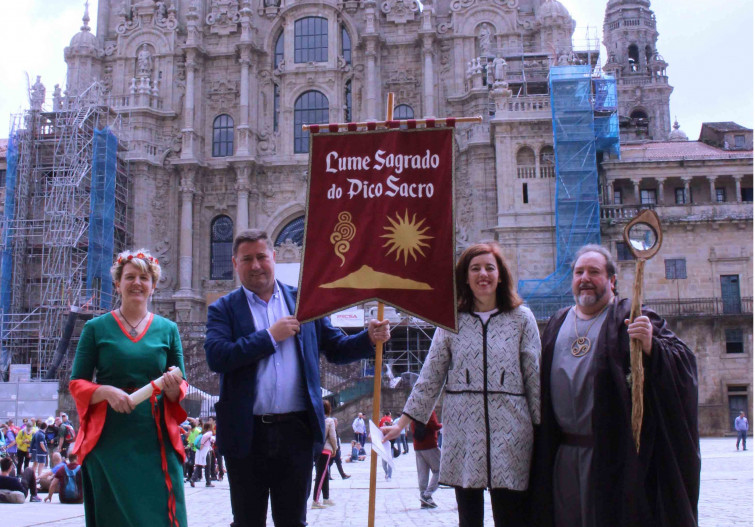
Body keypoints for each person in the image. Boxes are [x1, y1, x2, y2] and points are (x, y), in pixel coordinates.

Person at [204, 229, 390, 527]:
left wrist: (367, 338)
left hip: (297, 433)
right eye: (247, 259)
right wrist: (269, 337)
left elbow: (336, 349)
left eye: (261, 257)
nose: (256, 265)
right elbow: (217, 357)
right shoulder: (223, 308)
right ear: (235, 263)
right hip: (246, 434)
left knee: (293, 521)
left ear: (273, 258)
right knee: (247, 521)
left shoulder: (303, 302)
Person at [529, 244, 700, 527]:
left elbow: (684, 362)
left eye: (594, 272)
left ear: (612, 281)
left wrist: (650, 346)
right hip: (563, 456)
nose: (584, 278)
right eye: (578, 272)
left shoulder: (630, 317)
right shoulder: (558, 322)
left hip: (612, 458)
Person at [383, 241, 541, 527]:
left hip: (511, 431)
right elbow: (431, 375)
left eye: (489, 268)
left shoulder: (522, 319)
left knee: (512, 516)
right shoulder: (451, 322)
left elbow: (534, 378)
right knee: (469, 519)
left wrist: (542, 429)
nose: (483, 274)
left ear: (501, 275)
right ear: (465, 277)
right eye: (475, 268)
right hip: (463, 432)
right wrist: (402, 423)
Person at [69, 249, 189, 527]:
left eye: (144, 278)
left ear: (153, 285)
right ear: (118, 283)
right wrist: (106, 392)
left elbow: (180, 381)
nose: (137, 283)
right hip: (110, 439)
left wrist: (172, 387)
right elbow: (77, 383)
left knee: (159, 516)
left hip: (155, 437)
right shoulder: (96, 328)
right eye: (130, 277)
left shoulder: (168, 329)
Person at [412, 409, 442, 509]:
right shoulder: (429, 408)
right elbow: (434, 425)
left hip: (417, 445)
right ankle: (427, 495)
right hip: (429, 444)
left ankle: (423, 498)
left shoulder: (413, 409)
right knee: (440, 470)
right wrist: (443, 425)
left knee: (422, 473)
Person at [312, 400, 338, 509]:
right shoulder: (329, 420)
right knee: (321, 475)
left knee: (324, 473)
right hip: (326, 449)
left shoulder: (315, 419)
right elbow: (332, 436)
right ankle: (315, 500)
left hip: (316, 449)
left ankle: (326, 497)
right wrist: (335, 448)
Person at [189, 422, 215, 487]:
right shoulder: (209, 433)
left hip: (200, 451)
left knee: (199, 465)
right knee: (207, 466)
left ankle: (193, 478)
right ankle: (208, 482)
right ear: (209, 427)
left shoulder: (202, 432)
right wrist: (202, 444)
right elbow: (206, 438)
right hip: (205, 450)